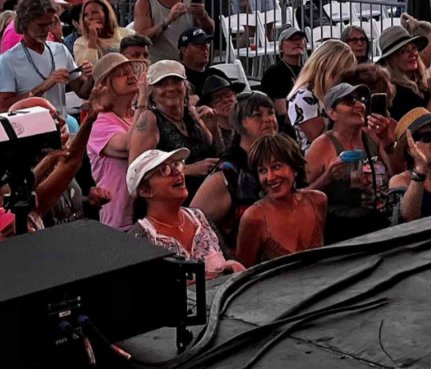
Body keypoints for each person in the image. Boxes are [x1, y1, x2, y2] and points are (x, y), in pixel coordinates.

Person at [127, 148, 242, 279]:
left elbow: (229, 259)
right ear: (145, 191)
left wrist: (233, 266)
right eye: (164, 170)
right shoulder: (139, 239)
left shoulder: (199, 217)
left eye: (177, 164)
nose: (178, 172)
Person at [303, 82, 396, 244]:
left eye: (360, 100)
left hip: (381, 225)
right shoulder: (321, 147)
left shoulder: (374, 136)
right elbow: (302, 198)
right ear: (332, 113)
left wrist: (388, 142)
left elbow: (397, 173)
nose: (359, 105)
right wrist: (327, 177)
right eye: (349, 101)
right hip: (344, 231)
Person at [128, 60, 220, 194]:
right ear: (152, 92)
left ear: (185, 86)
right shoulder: (149, 118)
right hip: (167, 202)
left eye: (176, 81)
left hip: (205, 196)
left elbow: (216, 152)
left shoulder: (192, 114)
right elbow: (137, 170)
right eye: (162, 84)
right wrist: (189, 169)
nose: (171, 88)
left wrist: (213, 127)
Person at [234, 134, 325, 266]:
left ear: (294, 168)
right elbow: (243, 274)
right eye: (262, 170)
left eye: (276, 166)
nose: (270, 177)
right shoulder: (254, 218)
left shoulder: (318, 201)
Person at [86, 53, 142, 230]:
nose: (132, 76)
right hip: (118, 222)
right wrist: (144, 102)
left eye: (131, 71)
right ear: (106, 85)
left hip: (144, 213)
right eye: (122, 73)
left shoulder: (137, 115)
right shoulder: (101, 123)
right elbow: (130, 145)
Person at [285, 38, 358, 149]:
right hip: (318, 159)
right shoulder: (304, 96)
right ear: (328, 69)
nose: (346, 80)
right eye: (343, 74)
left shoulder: (331, 92)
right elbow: (320, 141)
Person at [259, 25, 307, 126]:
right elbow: (282, 112)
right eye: (291, 40)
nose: (297, 42)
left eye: (300, 39)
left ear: (305, 45)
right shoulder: (275, 72)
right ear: (281, 47)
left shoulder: (308, 70)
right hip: (286, 126)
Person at [73, 0, 131, 66]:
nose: (90, 17)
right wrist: (92, 39)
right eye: (86, 15)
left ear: (106, 15)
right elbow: (87, 70)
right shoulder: (80, 43)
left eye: (95, 13)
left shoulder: (127, 34)